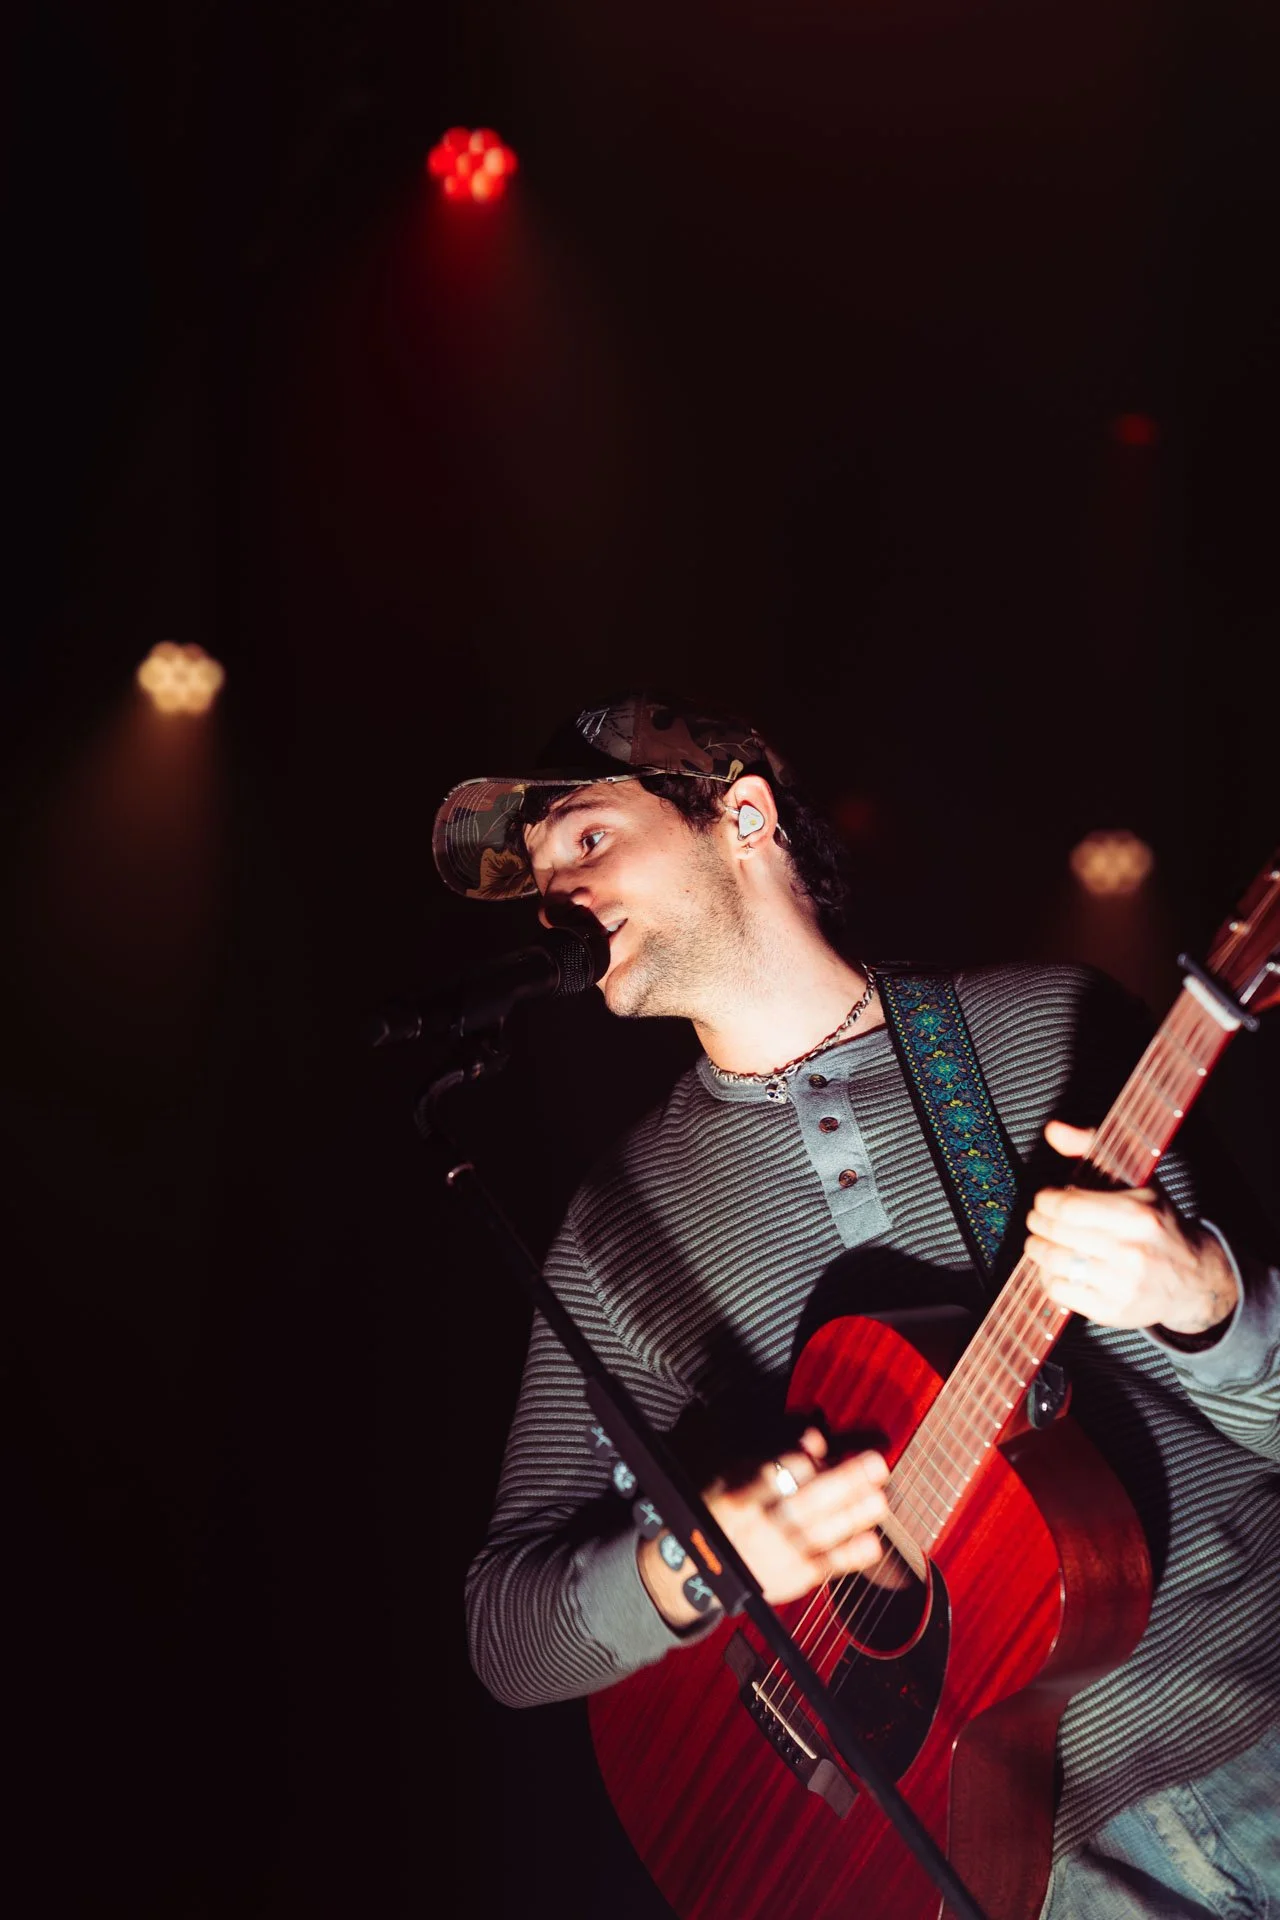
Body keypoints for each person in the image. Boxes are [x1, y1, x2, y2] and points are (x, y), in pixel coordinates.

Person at [433, 692, 1280, 1918]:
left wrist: (1209, 1307)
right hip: (1015, 1872)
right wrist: (695, 1563)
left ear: (741, 815)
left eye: (584, 839)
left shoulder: (1047, 1026)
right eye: (541, 881)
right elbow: (507, 1631)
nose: (559, 896)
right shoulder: (615, 1224)